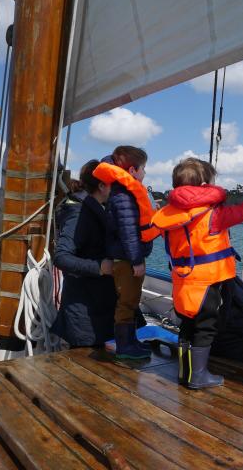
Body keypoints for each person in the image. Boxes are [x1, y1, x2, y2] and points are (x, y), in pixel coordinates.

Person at [151, 158, 243, 389]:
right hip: (209, 283)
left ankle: (186, 373)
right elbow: (242, 212)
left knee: (187, 325)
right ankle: (198, 376)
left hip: (183, 282)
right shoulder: (213, 215)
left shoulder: (168, 216)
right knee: (206, 327)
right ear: (204, 185)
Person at [92, 146, 159, 360]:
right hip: (127, 260)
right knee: (127, 302)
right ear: (132, 170)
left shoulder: (124, 193)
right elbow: (129, 231)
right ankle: (125, 345)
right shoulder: (123, 197)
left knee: (131, 300)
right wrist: (136, 260)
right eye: (143, 169)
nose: (145, 173)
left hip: (127, 258)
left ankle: (130, 341)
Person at [51, 160, 116, 347]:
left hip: (97, 309)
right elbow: (61, 257)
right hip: (84, 316)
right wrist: (100, 267)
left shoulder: (97, 210)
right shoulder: (78, 214)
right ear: (102, 186)